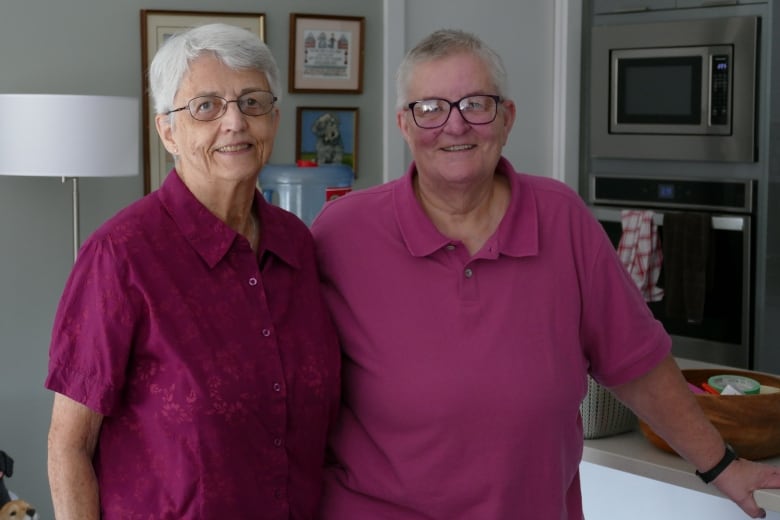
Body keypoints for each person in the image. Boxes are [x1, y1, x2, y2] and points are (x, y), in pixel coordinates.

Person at [310, 28, 780, 519]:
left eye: (475, 104)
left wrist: (721, 465)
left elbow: (637, 361)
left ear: (507, 118)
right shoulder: (343, 233)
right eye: (430, 108)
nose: (455, 126)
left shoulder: (561, 217)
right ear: (404, 125)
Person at [45, 23, 340, 519]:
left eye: (252, 102)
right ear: (168, 132)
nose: (235, 123)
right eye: (206, 106)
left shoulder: (298, 244)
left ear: (274, 117)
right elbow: (68, 447)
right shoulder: (120, 256)